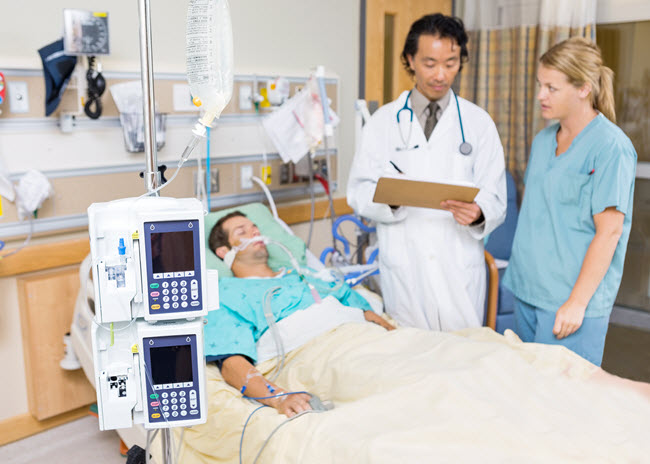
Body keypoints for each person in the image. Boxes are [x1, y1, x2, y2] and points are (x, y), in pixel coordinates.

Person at [347, 13, 506, 331]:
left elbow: (496, 196)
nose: (441, 74)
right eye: (430, 63)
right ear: (410, 59)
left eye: (451, 62)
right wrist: (391, 199)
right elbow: (358, 191)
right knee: (411, 362)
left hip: (458, 266)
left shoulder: (478, 123)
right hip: (406, 265)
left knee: (463, 361)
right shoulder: (384, 122)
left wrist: (478, 213)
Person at [503, 38, 637, 366]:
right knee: (521, 397)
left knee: (564, 407)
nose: (540, 96)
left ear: (583, 89)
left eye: (551, 87)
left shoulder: (610, 147)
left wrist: (576, 303)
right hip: (527, 290)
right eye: (540, 85)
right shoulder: (543, 140)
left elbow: (609, 232)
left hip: (567, 302)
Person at [204, 211, 394, 417]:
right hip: (323, 356)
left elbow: (364, 311)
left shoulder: (303, 274)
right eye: (242, 231)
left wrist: (397, 336)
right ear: (224, 251)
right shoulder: (225, 293)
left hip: (369, 339)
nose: (254, 233)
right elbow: (232, 363)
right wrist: (279, 398)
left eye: (255, 228)